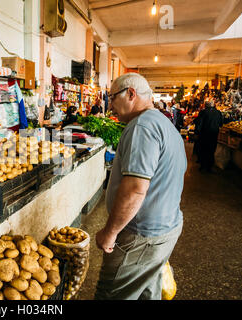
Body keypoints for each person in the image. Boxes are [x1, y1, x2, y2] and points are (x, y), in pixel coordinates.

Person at [94, 73, 187, 300]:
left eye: (112, 97)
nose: (110, 105)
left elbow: (136, 188)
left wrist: (110, 232)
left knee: (112, 294)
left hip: (140, 237)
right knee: (147, 293)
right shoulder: (164, 123)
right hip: (165, 230)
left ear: (131, 94)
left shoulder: (142, 126)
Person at [196, 101, 223, 172]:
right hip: (214, 134)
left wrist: (197, 132)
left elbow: (199, 123)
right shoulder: (218, 112)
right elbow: (221, 124)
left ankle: (203, 166)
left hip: (204, 134)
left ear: (205, 106)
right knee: (211, 150)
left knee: (204, 149)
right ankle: (210, 167)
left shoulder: (203, 112)